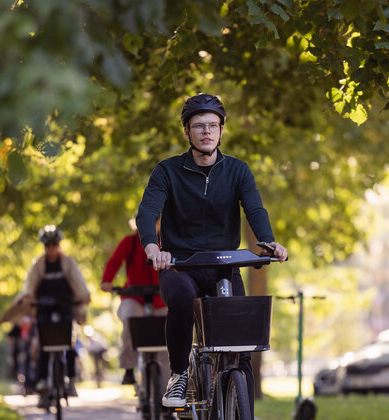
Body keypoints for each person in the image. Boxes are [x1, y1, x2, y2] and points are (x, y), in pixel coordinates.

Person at [135, 93, 288, 413]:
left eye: (213, 125)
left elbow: (255, 208)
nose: (206, 131)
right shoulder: (167, 171)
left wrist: (268, 241)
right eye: (199, 126)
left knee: (241, 340)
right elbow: (148, 210)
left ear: (221, 130)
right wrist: (152, 245)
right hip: (180, 264)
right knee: (179, 300)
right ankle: (179, 374)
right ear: (187, 132)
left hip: (224, 265)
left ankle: (240, 397)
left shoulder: (238, 171)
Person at [21, 225, 91, 403]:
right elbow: (30, 283)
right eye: (47, 245)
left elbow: (78, 280)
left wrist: (84, 296)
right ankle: (43, 381)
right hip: (44, 306)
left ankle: (71, 380)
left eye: (54, 245)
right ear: (44, 247)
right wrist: (28, 297)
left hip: (65, 305)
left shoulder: (68, 262)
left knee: (69, 342)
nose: (51, 249)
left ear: (59, 244)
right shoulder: (38, 264)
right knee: (44, 343)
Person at [101, 216, 168, 386]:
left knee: (168, 333)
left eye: (156, 222)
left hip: (160, 298)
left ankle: (168, 388)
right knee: (131, 321)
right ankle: (129, 369)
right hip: (134, 297)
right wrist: (107, 281)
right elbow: (114, 262)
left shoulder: (166, 242)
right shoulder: (130, 242)